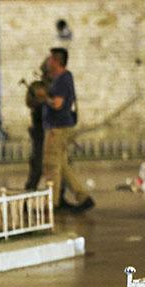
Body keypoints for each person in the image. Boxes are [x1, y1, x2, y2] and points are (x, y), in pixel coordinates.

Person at [34, 47, 94, 213]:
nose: (48, 61)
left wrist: (43, 97)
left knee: (51, 165)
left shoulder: (62, 79)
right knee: (62, 166)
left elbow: (58, 104)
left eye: (50, 59)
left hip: (56, 128)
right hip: (59, 126)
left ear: (57, 61)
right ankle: (84, 198)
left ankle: (52, 204)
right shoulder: (62, 78)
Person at [23, 58, 50, 192]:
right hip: (40, 133)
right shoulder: (38, 87)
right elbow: (31, 102)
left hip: (46, 131)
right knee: (37, 166)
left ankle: (58, 195)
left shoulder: (48, 88)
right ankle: (29, 193)